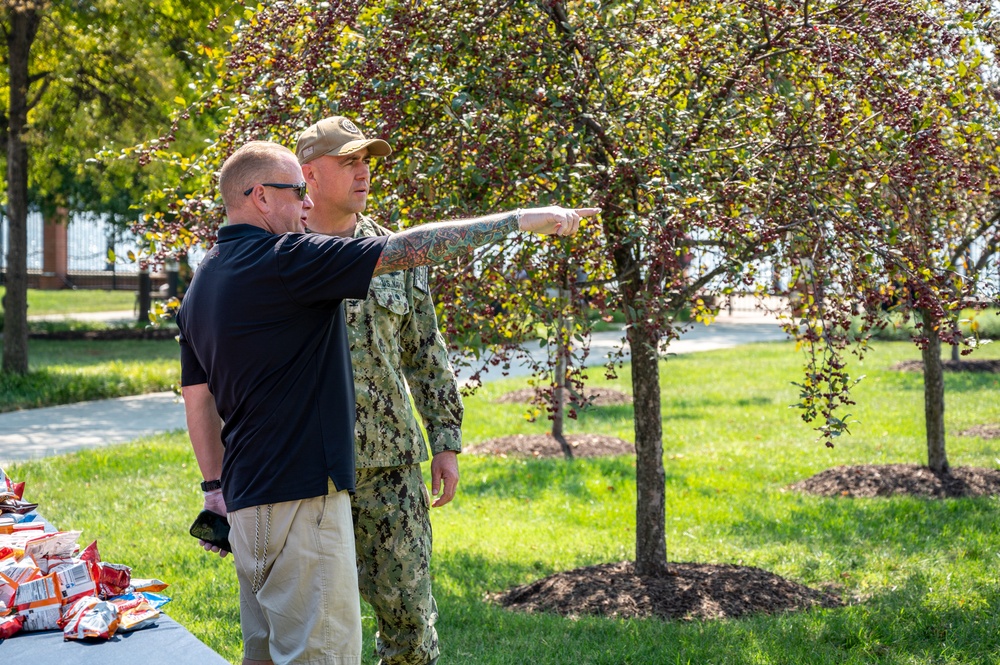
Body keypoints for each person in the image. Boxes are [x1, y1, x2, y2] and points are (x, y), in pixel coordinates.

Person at [177, 139, 598, 665]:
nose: (305, 204)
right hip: (302, 497)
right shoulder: (287, 261)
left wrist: (214, 489)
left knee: (265, 654)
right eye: (297, 192)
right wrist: (520, 220)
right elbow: (415, 247)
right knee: (320, 653)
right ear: (260, 196)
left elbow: (199, 402)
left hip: (247, 504)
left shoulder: (204, 280)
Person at [296, 116, 459, 665]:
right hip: (305, 469)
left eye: (367, 160)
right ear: (309, 175)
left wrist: (446, 441)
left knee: (410, 620)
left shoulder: (396, 254)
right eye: (349, 162)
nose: (364, 173)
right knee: (312, 624)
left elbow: (426, 353)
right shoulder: (278, 255)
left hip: (389, 467)